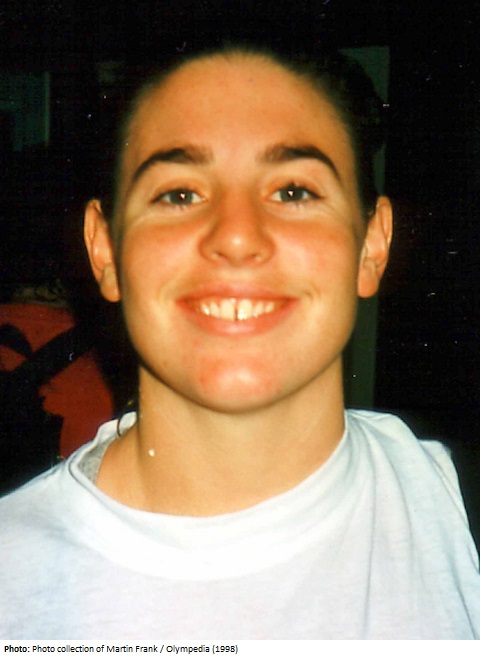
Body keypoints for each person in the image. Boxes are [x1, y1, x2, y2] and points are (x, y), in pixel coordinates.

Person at [0, 40, 479, 640]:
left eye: (293, 191)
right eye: (179, 194)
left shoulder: (457, 513)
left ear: (371, 244)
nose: (236, 236)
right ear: (106, 251)